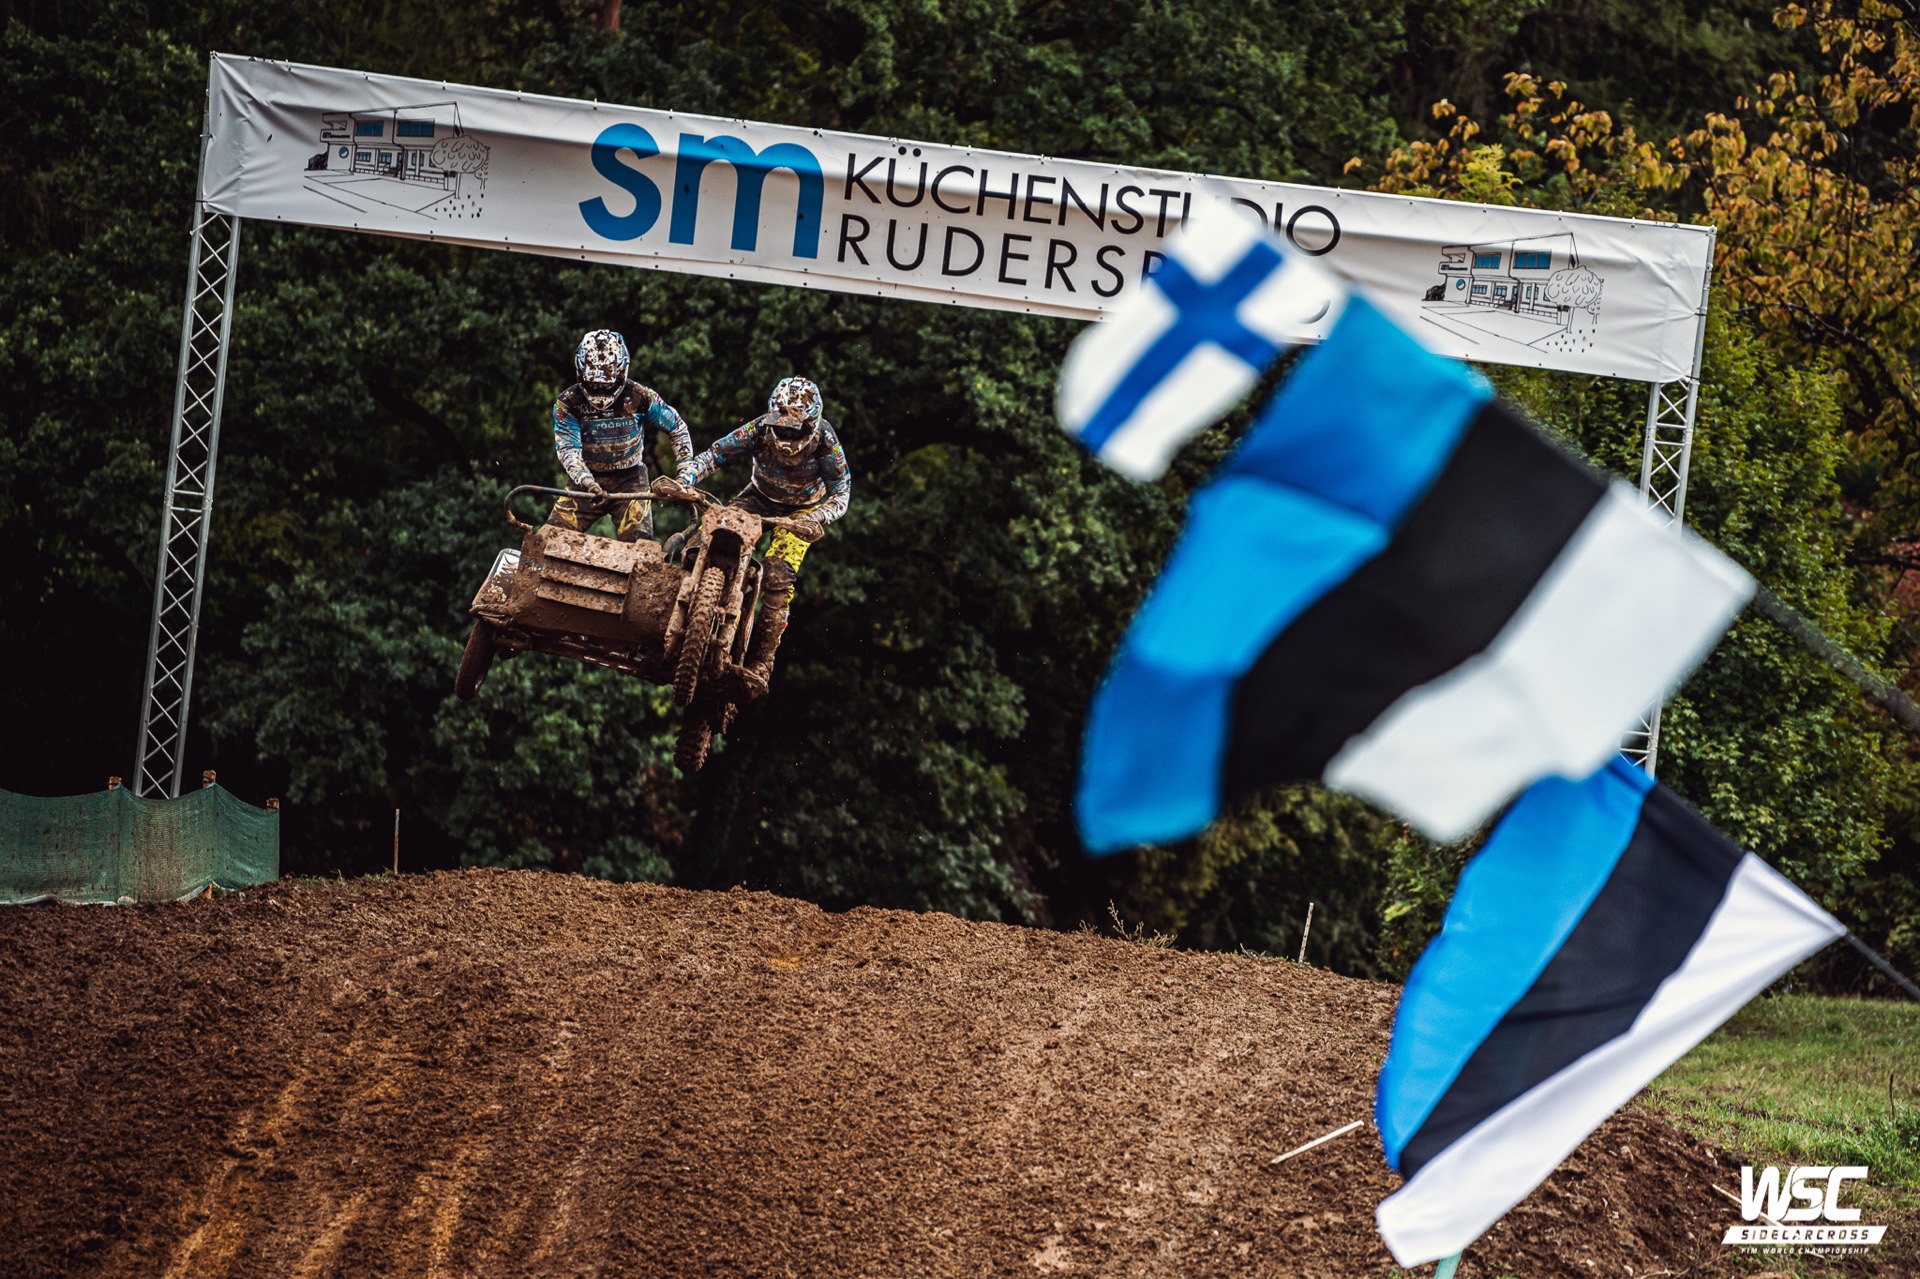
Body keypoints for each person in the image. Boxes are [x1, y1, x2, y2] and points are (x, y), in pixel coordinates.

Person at [671, 376, 851, 694]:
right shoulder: (758, 429)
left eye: (794, 430)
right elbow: (715, 454)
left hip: (802, 511)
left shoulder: (826, 441)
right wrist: (686, 480)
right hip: (758, 496)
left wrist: (817, 517)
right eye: (781, 427)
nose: (786, 436)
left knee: (778, 577)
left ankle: (761, 663)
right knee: (704, 540)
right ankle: (668, 615)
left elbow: (842, 492)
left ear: (811, 425)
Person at [546, 329, 695, 542]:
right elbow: (568, 449)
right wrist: (587, 481)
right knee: (550, 538)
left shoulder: (640, 396)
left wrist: (684, 474)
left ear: (622, 370)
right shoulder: (568, 403)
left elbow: (676, 427)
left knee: (640, 547)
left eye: (607, 386)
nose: (601, 393)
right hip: (586, 480)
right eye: (594, 385)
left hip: (630, 479)